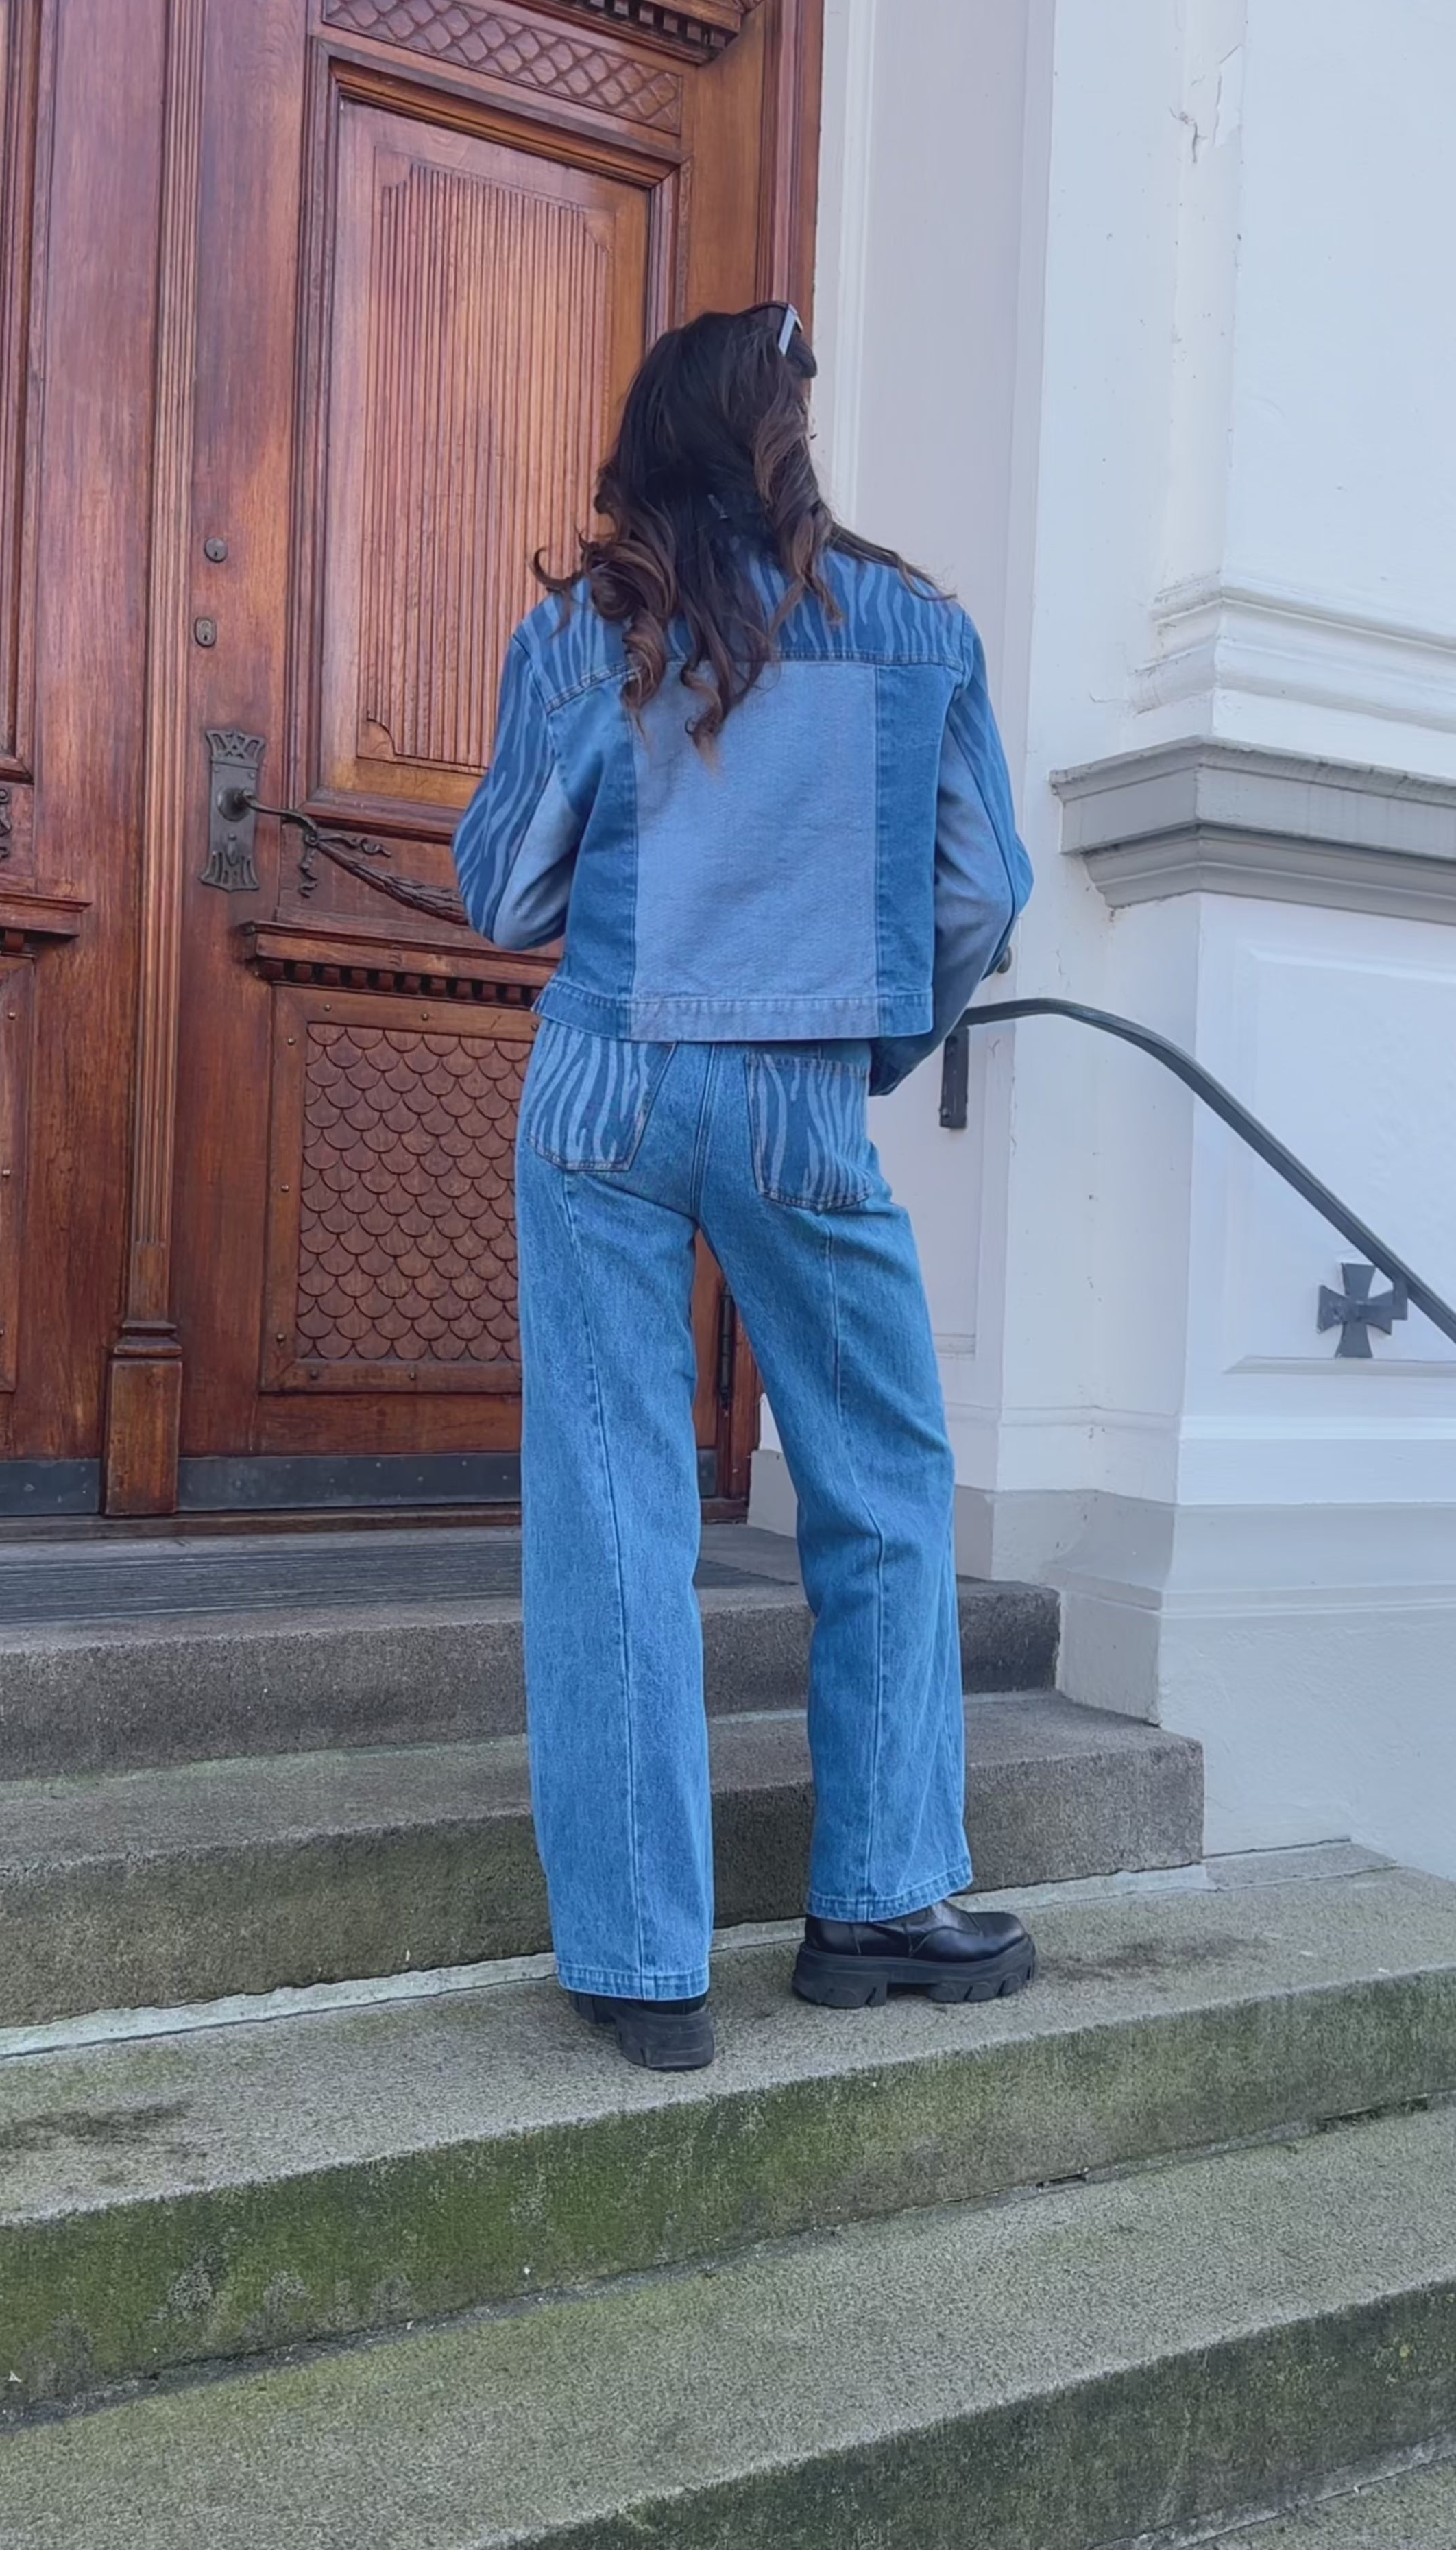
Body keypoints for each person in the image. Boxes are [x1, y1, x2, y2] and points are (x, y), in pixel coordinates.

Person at [454, 302, 1036, 2074]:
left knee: (612, 1503)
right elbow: (983, 893)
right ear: (790, 434)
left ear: (650, 440)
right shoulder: (915, 625)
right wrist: (869, 1045)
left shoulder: (587, 626)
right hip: (795, 1097)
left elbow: (505, 892)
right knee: (883, 1478)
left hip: (607, 1086)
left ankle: (644, 1965)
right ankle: (880, 1903)